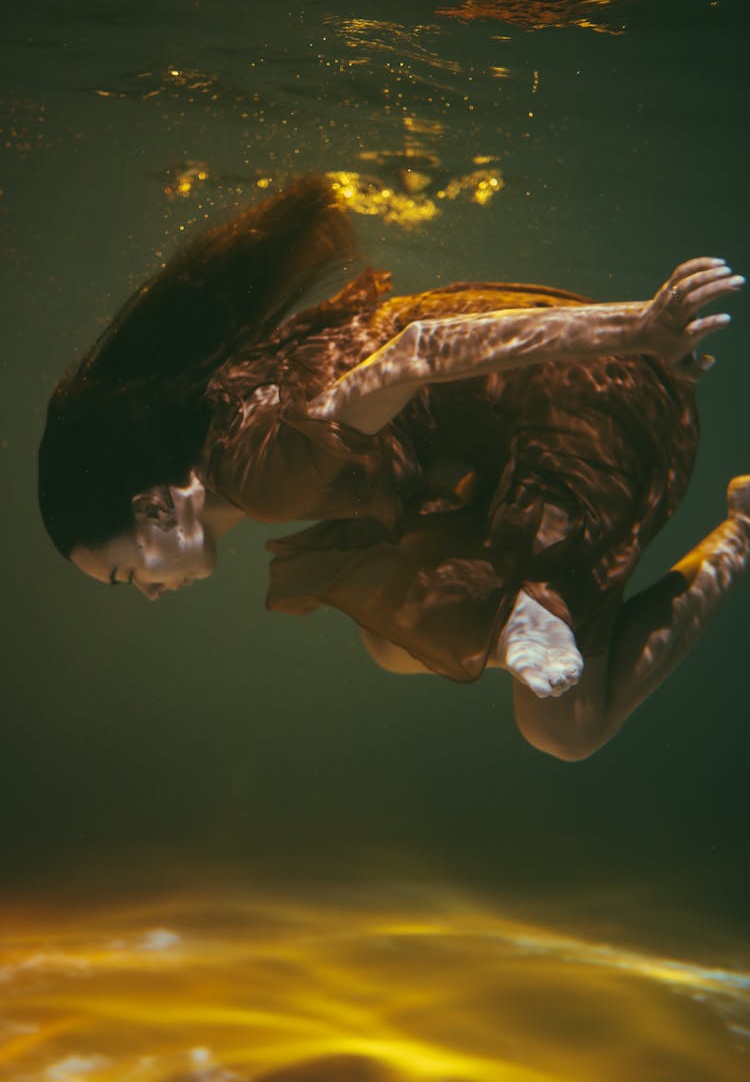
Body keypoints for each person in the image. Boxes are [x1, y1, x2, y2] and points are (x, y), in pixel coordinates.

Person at [38, 177, 747, 760]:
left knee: (565, 727)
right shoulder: (224, 404)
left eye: (129, 572)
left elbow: (419, 349)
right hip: (560, 393)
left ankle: (729, 540)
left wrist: (639, 330)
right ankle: (524, 615)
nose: (150, 593)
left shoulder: (263, 473)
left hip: (593, 414)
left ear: (153, 508)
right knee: (391, 635)